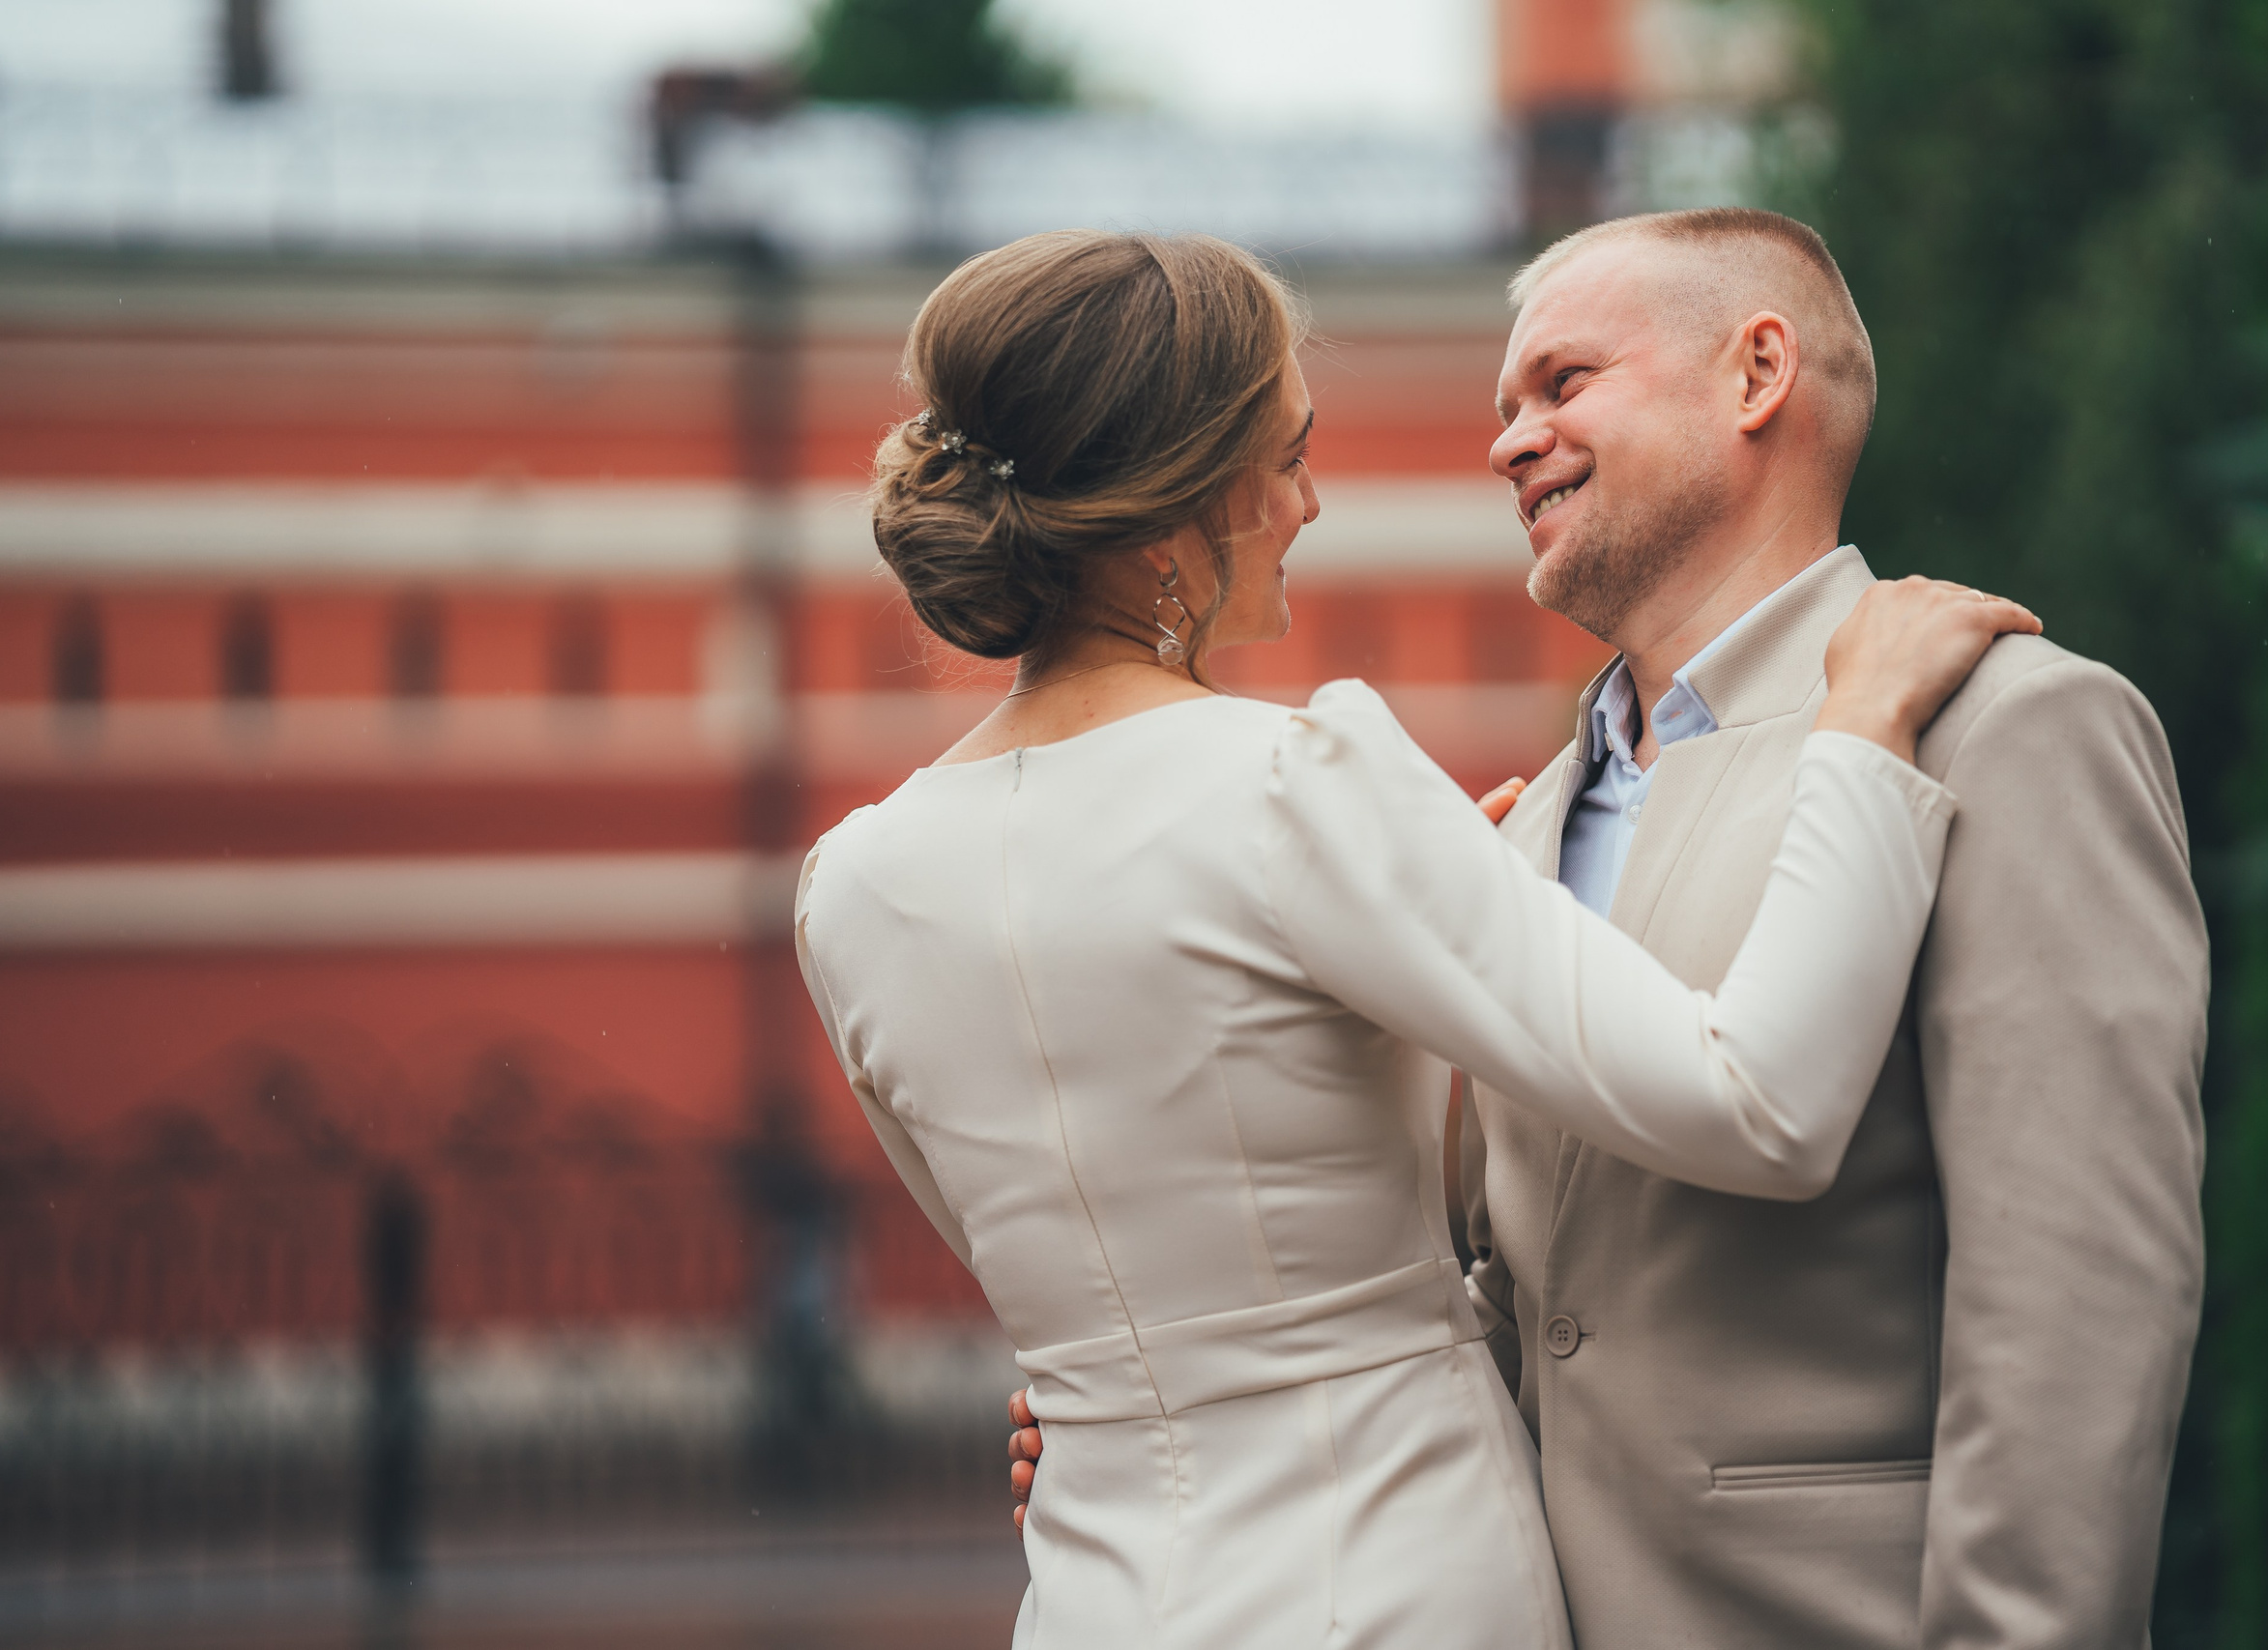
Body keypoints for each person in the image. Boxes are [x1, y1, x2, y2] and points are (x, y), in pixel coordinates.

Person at [800, 228, 2036, 1647]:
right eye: (1285, 455)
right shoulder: (1297, 784)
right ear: (1181, 498)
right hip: (1392, 1579)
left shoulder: (851, 887)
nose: (1308, 503)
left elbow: (1138, 1241)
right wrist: (1864, 733)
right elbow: (1761, 1105)